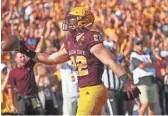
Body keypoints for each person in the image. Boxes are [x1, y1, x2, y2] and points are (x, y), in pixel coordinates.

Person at [4, 7, 141, 115]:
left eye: (73, 19)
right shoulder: (71, 40)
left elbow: (111, 62)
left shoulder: (91, 39)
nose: (69, 22)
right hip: (86, 90)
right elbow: (51, 59)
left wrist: (127, 82)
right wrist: (26, 50)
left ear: (83, 21)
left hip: (93, 89)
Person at [130, 38, 158, 115]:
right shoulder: (134, 55)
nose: (140, 45)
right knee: (145, 103)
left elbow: (155, 64)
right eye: (138, 44)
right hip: (141, 81)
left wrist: (147, 64)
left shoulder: (147, 54)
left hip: (152, 80)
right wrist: (149, 63)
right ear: (134, 46)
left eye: (141, 43)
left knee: (152, 105)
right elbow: (141, 66)